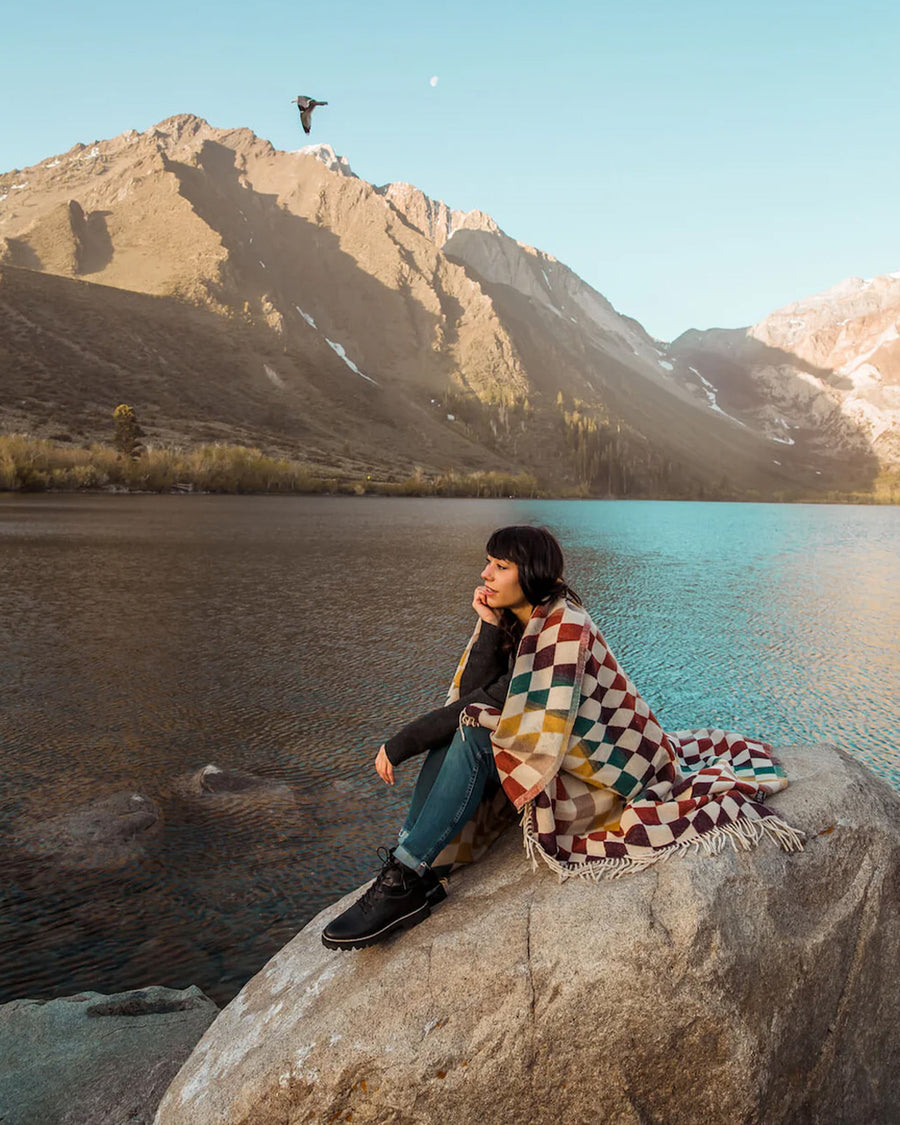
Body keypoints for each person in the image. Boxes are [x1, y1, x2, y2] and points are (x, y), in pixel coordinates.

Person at [322, 525, 801, 951]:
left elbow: (486, 708)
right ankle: (412, 868)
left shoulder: (565, 626)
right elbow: (470, 700)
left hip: (607, 767)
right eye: (488, 562)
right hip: (552, 747)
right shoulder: (514, 619)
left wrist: (402, 743)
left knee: (468, 737)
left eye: (499, 565)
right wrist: (488, 629)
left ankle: (406, 874)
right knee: (462, 732)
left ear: (528, 574)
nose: (485, 573)